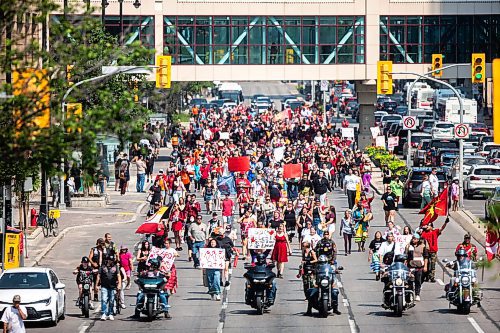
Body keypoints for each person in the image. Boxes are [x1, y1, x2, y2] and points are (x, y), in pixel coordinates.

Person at [96, 254, 121, 321]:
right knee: (104, 299)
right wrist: (96, 285)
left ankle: (110, 313)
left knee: (111, 300)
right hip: (104, 286)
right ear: (107, 260)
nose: (111, 261)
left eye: (112, 260)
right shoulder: (103, 267)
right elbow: (98, 276)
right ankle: (104, 313)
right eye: (110, 260)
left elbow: (118, 276)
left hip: (113, 286)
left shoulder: (116, 267)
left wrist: (119, 284)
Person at [404, 233, 428, 301]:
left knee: (418, 280)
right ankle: (410, 294)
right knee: (410, 281)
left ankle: (417, 294)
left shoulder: (422, 246)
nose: (413, 240)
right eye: (413, 238)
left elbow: (426, 257)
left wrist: (425, 266)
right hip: (410, 266)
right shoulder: (408, 246)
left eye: (415, 239)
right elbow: (405, 256)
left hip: (419, 266)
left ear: (418, 239)